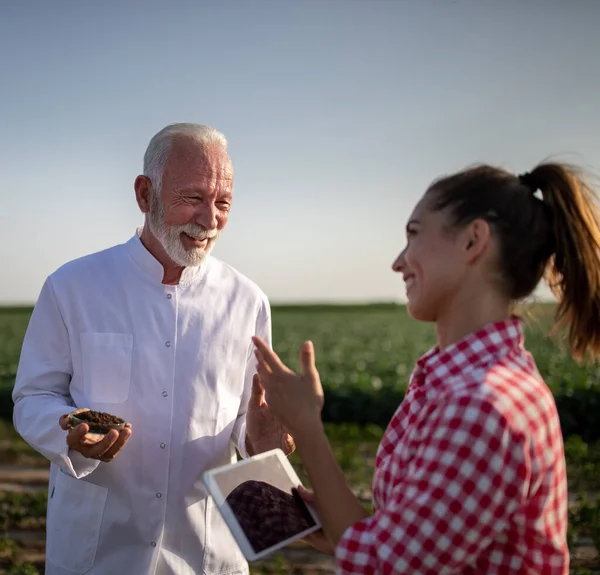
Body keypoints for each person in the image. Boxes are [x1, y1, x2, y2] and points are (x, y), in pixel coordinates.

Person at [252, 161, 600, 574]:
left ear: (473, 241)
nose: (398, 262)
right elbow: (407, 544)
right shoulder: (467, 382)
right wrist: (344, 526)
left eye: (413, 235)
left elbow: (387, 566)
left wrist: (307, 426)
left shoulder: (481, 406)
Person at [12, 122, 294, 575]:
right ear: (146, 195)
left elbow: (246, 417)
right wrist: (65, 429)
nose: (209, 219)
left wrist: (257, 440)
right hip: (97, 552)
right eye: (192, 198)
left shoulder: (248, 301)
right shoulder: (71, 286)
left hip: (206, 553)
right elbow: (32, 398)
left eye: (222, 203)